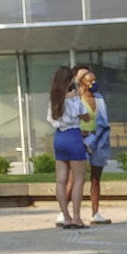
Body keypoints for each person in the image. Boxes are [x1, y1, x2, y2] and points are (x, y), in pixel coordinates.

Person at [47, 66, 89, 229]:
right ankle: (77, 217)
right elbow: (85, 117)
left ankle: (65, 216)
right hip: (73, 135)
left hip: (59, 136)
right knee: (78, 179)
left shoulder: (54, 99)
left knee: (61, 180)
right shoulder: (74, 99)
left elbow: (51, 119)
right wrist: (77, 96)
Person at [70, 65, 112, 224]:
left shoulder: (99, 98)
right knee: (75, 177)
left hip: (99, 138)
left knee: (96, 178)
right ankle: (70, 212)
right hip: (82, 139)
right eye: (90, 80)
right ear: (81, 83)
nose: (93, 83)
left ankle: (95, 212)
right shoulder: (76, 99)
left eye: (94, 80)